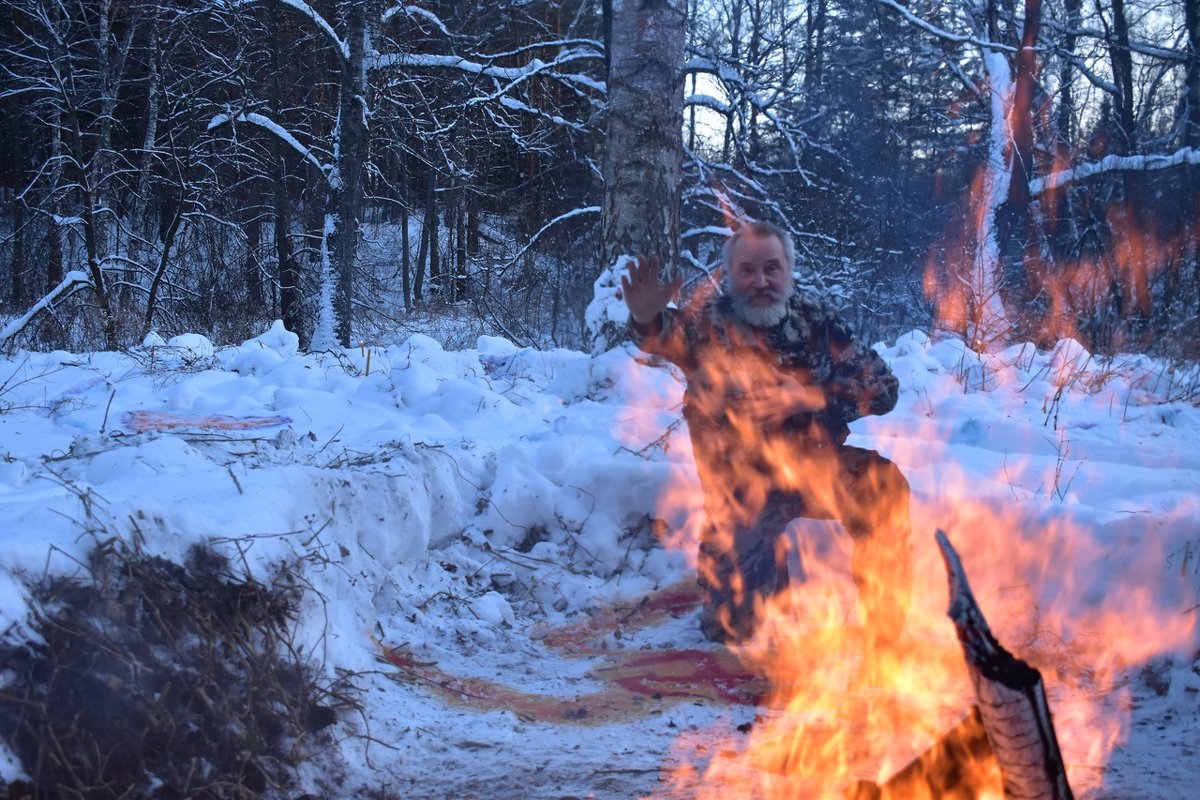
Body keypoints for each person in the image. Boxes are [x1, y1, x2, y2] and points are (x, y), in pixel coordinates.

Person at [622, 221, 912, 666]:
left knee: (882, 483)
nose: (760, 282)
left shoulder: (818, 321)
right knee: (733, 629)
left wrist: (811, 396)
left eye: (772, 269)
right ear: (730, 274)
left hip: (815, 471)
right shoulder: (707, 325)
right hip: (743, 496)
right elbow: (660, 334)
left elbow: (884, 388)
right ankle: (762, 579)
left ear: (789, 270)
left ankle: (886, 629)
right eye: (747, 270)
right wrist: (645, 316)